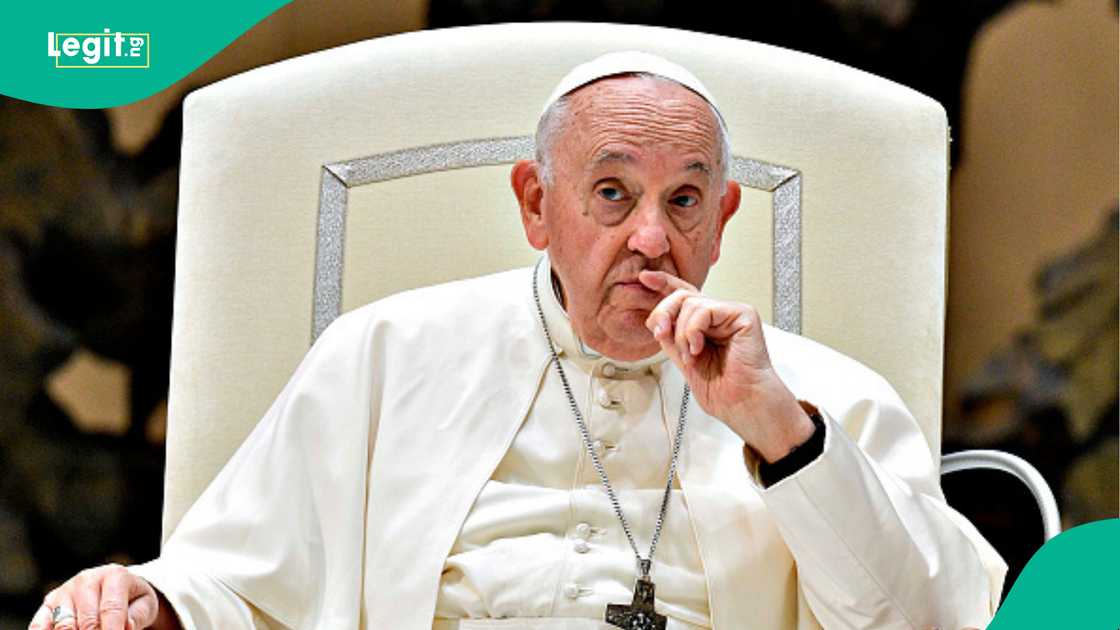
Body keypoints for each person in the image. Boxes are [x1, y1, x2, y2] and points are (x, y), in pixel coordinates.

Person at [30, 51, 1006, 630]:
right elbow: (238, 581)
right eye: (612, 194)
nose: (652, 239)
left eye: (684, 200)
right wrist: (150, 605)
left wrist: (782, 433)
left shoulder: (822, 398)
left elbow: (923, 618)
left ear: (724, 217)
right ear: (537, 206)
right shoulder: (386, 353)